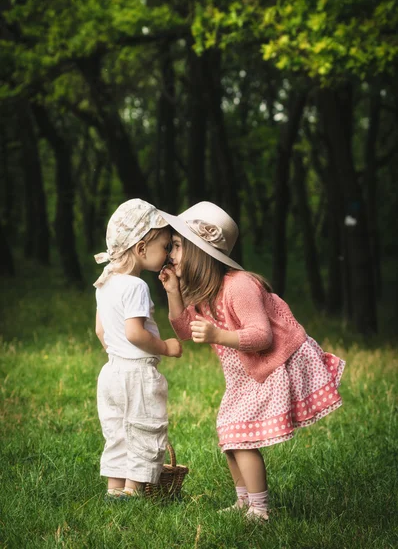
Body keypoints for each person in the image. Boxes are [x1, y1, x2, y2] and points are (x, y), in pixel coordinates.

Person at [158, 201, 345, 522]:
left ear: (201, 251)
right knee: (229, 434)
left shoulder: (240, 285)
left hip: (271, 367)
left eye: (176, 246)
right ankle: (244, 500)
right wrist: (173, 292)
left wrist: (218, 335)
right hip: (244, 378)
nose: (170, 254)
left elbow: (262, 337)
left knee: (241, 437)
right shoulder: (206, 294)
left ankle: (260, 509)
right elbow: (185, 330)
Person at [94, 198, 182, 500]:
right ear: (142, 249)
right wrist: (165, 347)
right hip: (137, 373)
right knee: (145, 428)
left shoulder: (105, 283)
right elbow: (135, 333)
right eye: (165, 246)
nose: (168, 253)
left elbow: (100, 330)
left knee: (117, 431)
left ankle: (115, 489)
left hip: (111, 372)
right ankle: (134, 491)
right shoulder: (136, 286)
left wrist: (116, 353)